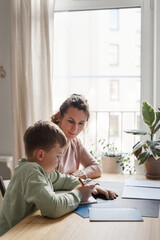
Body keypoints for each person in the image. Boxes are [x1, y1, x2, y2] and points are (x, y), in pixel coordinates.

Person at [0, 121, 117, 236]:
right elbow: (53, 208)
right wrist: (78, 194)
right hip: (11, 235)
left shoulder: (41, 171)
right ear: (41, 155)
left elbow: (65, 180)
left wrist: (92, 186)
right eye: (58, 156)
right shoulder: (31, 173)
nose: (59, 161)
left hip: (25, 230)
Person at [51, 94, 102, 179]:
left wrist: (79, 175)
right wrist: (72, 178)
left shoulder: (75, 142)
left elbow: (97, 168)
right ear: (60, 116)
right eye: (71, 121)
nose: (75, 129)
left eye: (81, 123)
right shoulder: (47, 141)